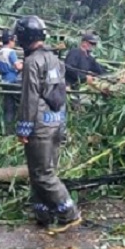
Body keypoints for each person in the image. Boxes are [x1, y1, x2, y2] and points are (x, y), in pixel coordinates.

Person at [14, 15, 81, 230]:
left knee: (43, 174)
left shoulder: (32, 62)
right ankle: (44, 213)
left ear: (25, 37)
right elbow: (61, 93)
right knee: (42, 170)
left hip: (40, 125)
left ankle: (68, 212)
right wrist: (62, 123)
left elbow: (29, 98)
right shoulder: (55, 59)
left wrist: (24, 127)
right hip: (56, 122)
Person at [0, 29, 23, 130]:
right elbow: (18, 67)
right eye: (14, 40)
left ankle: (8, 128)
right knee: (21, 103)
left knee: (9, 106)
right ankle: (21, 126)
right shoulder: (11, 52)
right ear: (10, 40)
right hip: (13, 80)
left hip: (4, 81)